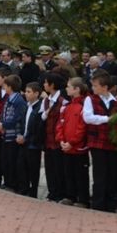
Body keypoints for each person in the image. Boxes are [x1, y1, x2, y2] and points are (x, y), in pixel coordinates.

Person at [83, 70, 117, 213]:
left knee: (112, 173)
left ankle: (110, 204)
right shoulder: (90, 99)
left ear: (105, 87)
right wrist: (107, 119)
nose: (93, 88)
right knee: (99, 174)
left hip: (112, 141)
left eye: (95, 85)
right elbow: (87, 117)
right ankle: (98, 204)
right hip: (97, 141)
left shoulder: (115, 101)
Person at [56, 77, 89, 208]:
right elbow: (60, 124)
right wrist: (61, 140)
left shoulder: (84, 106)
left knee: (80, 174)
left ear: (77, 89)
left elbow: (82, 127)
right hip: (66, 147)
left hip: (78, 148)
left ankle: (83, 199)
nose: (66, 88)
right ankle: (70, 196)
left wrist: (72, 142)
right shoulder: (66, 107)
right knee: (68, 172)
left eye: (69, 86)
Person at [41, 71, 67, 202]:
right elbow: (41, 117)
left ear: (52, 85)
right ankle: (52, 192)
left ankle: (60, 193)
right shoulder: (46, 100)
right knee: (49, 167)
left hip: (58, 140)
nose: (44, 84)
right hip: (48, 139)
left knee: (59, 168)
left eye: (46, 82)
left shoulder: (63, 101)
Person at [0, 74, 26, 193]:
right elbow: (4, 113)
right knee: (6, 160)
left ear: (10, 87)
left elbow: (17, 118)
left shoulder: (18, 101)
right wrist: (1, 123)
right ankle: (8, 182)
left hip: (13, 135)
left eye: (5, 85)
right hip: (6, 134)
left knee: (12, 160)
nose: (4, 88)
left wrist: (4, 124)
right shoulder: (9, 98)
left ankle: (13, 184)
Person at [16, 82, 43, 198]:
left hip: (33, 144)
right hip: (23, 142)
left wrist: (26, 138)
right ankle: (24, 188)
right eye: (26, 91)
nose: (26, 94)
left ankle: (33, 191)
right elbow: (20, 122)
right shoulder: (26, 106)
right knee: (22, 166)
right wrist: (19, 134)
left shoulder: (39, 108)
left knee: (33, 169)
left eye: (29, 92)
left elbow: (37, 128)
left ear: (36, 94)